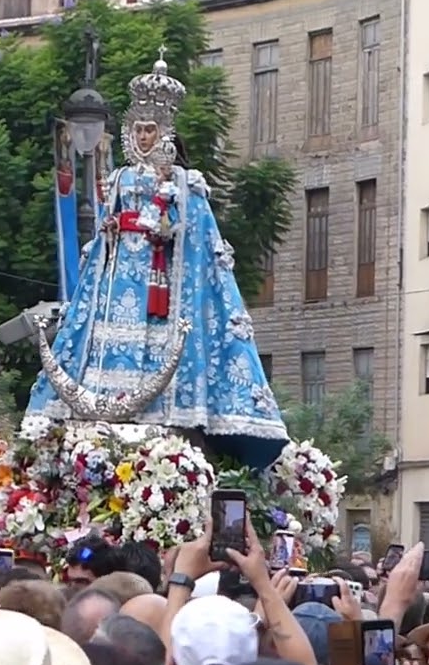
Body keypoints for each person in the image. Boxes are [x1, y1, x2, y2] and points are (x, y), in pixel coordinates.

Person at [22, 51, 288, 469]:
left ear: (163, 132)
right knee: (100, 335)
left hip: (160, 279)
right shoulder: (121, 178)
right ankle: (102, 396)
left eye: (151, 130)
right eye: (138, 130)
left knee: (160, 338)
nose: (144, 138)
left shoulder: (185, 182)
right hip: (118, 280)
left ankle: (166, 407)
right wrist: (111, 229)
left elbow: (195, 232)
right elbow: (107, 223)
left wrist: (168, 221)